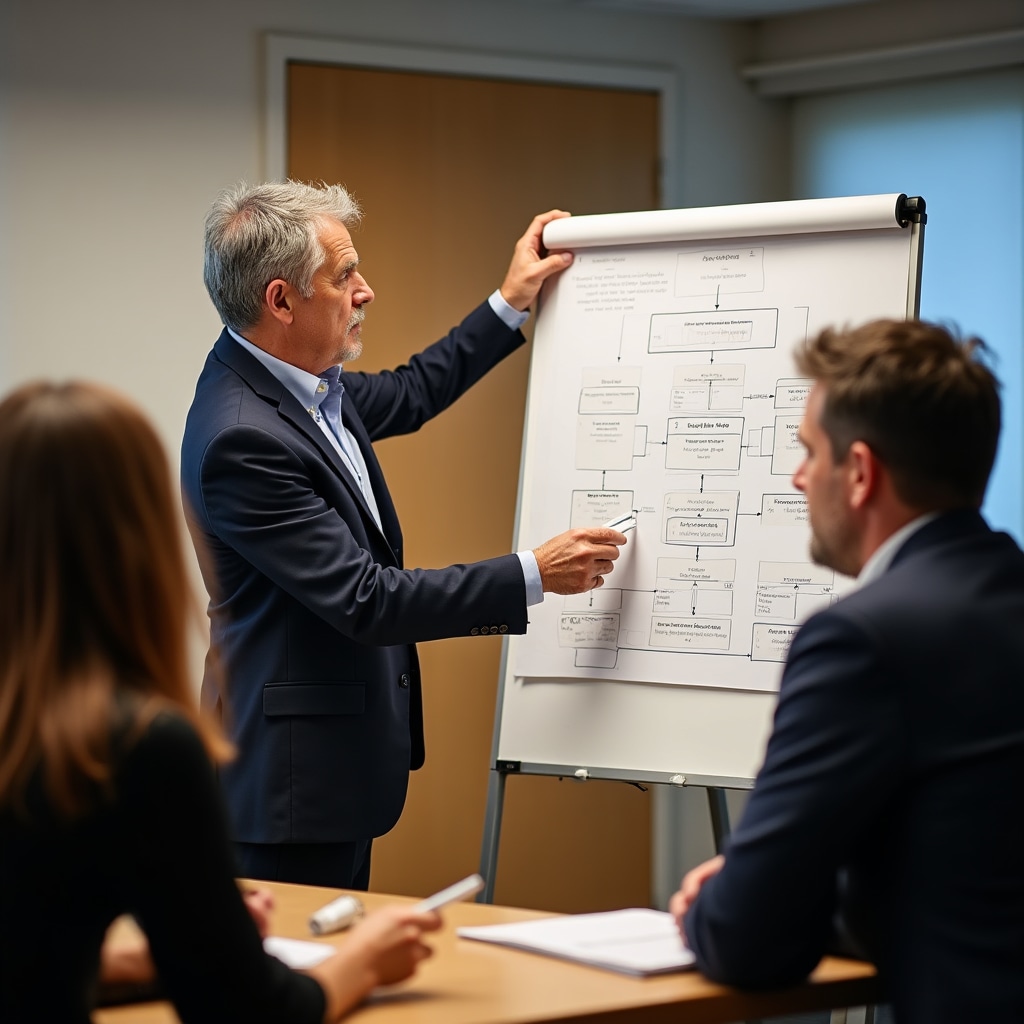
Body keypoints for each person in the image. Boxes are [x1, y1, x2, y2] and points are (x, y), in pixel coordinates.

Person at [181, 180, 627, 890]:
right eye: (344, 275)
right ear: (281, 301)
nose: (366, 291)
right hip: (288, 796)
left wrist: (510, 302)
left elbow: (415, 391)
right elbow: (367, 601)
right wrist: (534, 573)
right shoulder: (242, 437)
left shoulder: (309, 381)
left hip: (327, 777)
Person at [0, 381, 441, 1024]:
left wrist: (150, 958)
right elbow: (246, 1009)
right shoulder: (132, 747)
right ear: (139, 533)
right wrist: (365, 958)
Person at [670, 319, 1024, 1024]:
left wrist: (727, 897)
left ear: (860, 473)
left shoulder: (863, 639)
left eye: (810, 452)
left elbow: (747, 941)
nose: (799, 477)